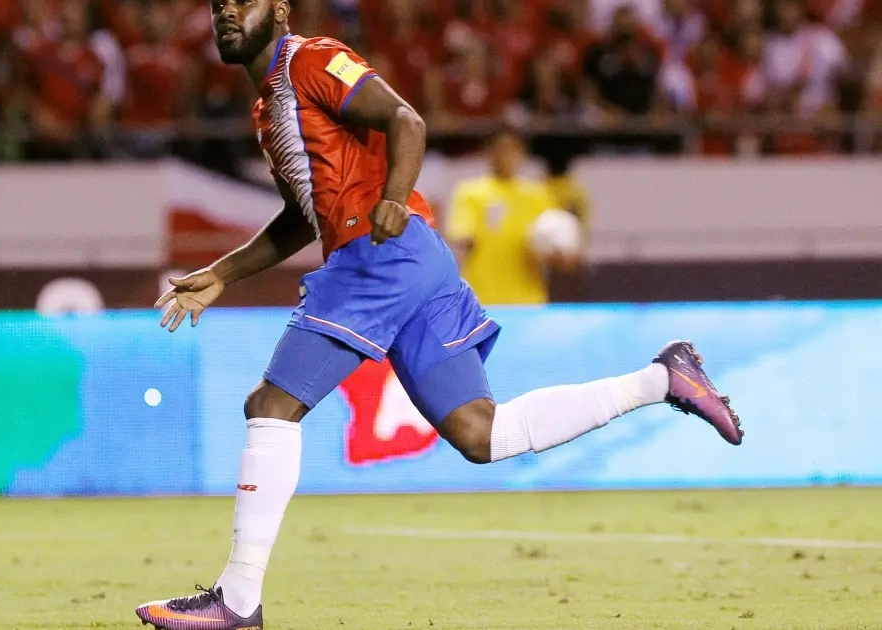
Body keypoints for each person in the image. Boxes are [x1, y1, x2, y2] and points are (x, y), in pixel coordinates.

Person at [136, 2, 744, 629]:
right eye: (220, 3)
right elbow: (302, 216)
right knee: (483, 434)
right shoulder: (270, 106)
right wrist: (223, 273)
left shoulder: (311, 61)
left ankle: (236, 600)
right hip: (408, 257)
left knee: (271, 407)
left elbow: (406, 118)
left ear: (281, 10)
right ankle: (661, 379)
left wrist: (395, 197)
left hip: (379, 254)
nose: (228, 11)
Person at [445, 127, 573, 306]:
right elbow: (460, 237)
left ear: (523, 153)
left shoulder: (537, 195)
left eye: (513, 149)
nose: (507, 155)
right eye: (501, 149)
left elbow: (563, 256)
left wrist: (551, 252)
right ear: (488, 153)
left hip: (528, 302)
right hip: (483, 300)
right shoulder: (470, 192)